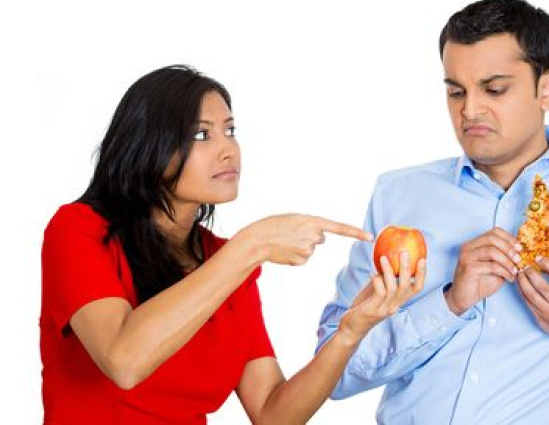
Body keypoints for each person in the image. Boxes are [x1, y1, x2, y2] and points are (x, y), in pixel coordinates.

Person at [316, 0, 549, 424]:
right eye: (456, 91)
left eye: (494, 89)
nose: (469, 110)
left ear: (547, 89)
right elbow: (332, 376)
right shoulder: (398, 196)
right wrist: (448, 305)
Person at [40, 65, 426, 424]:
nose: (229, 149)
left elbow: (273, 413)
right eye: (201, 134)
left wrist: (349, 332)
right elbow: (124, 360)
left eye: (231, 130)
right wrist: (252, 244)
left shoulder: (226, 260)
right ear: (149, 147)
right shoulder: (77, 231)